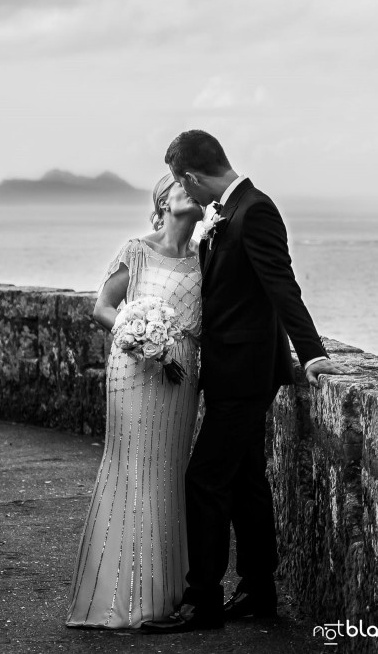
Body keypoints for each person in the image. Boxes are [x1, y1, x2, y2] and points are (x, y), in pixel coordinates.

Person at [144, 130, 348, 633]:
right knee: (247, 481)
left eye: (180, 182)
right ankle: (259, 588)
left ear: (190, 176)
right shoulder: (228, 212)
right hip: (231, 369)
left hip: (245, 373)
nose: (183, 192)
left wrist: (314, 354)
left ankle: (202, 601)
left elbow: (282, 285)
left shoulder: (254, 210)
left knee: (204, 479)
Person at [66, 174, 204, 629]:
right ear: (163, 202)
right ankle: (125, 597)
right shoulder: (137, 250)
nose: (188, 189)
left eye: (192, 184)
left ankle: (164, 593)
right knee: (133, 470)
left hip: (182, 374)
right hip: (134, 366)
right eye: (178, 185)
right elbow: (103, 306)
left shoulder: (205, 258)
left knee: (168, 473)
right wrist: (135, 330)